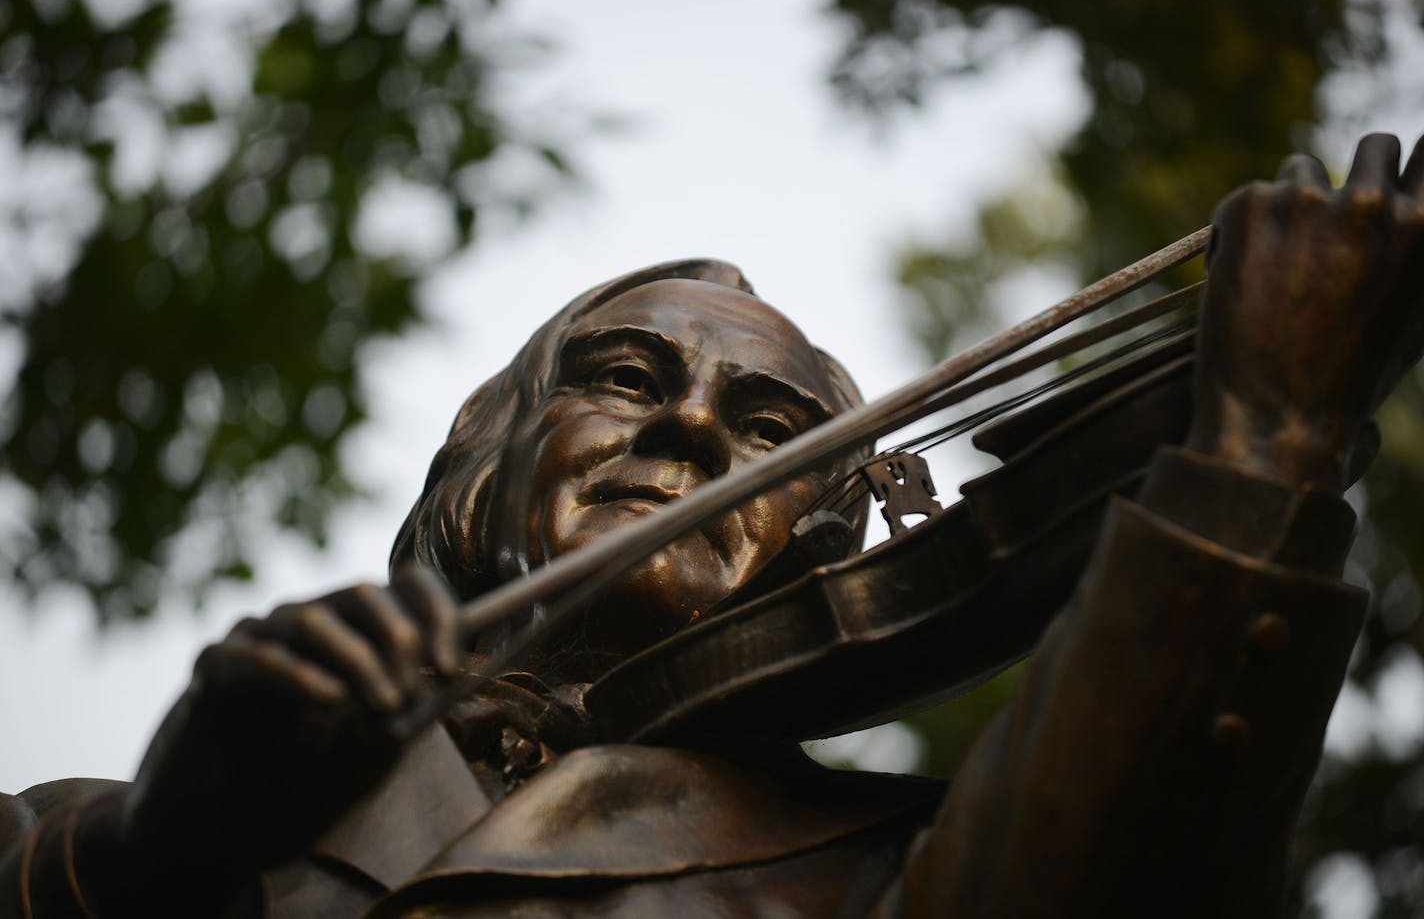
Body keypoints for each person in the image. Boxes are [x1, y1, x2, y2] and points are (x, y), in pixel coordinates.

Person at [3, 133, 1423, 918]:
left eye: (770, 431)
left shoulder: (880, 863)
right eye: (627, 377)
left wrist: (1263, 440)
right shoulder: (70, 834)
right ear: (480, 461)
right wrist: (144, 854)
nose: (689, 430)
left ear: (824, 537)